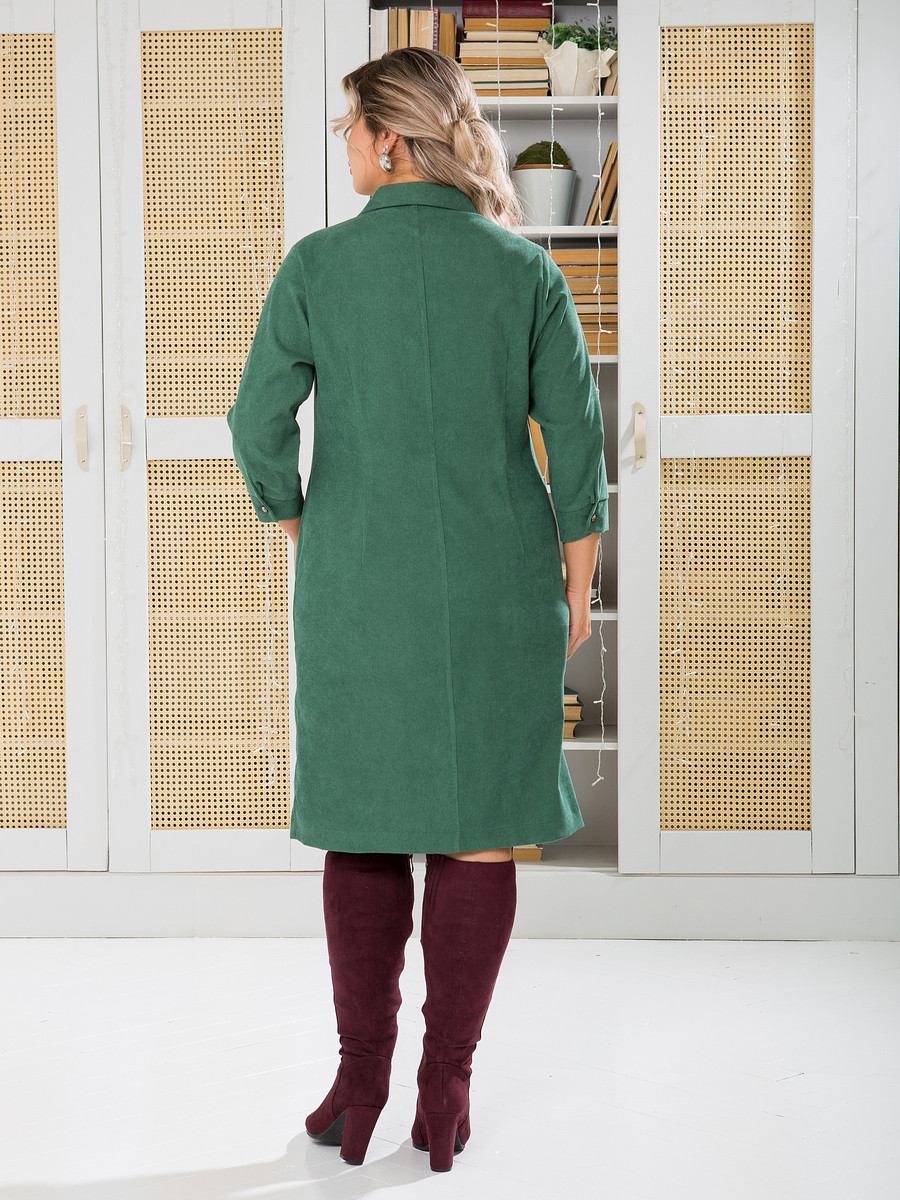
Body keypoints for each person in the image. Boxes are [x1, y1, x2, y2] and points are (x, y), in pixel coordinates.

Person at [226, 46, 608, 1173]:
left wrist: (295, 517)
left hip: (359, 588)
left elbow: (255, 423)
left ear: (390, 138)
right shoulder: (525, 271)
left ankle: (362, 1084)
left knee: (364, 820)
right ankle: (447, 1089)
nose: (345, 143)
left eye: (350, 125)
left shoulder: (318, 267)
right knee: (478, 828)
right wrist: (578, 581)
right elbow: (577, 439)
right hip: (500, 588)